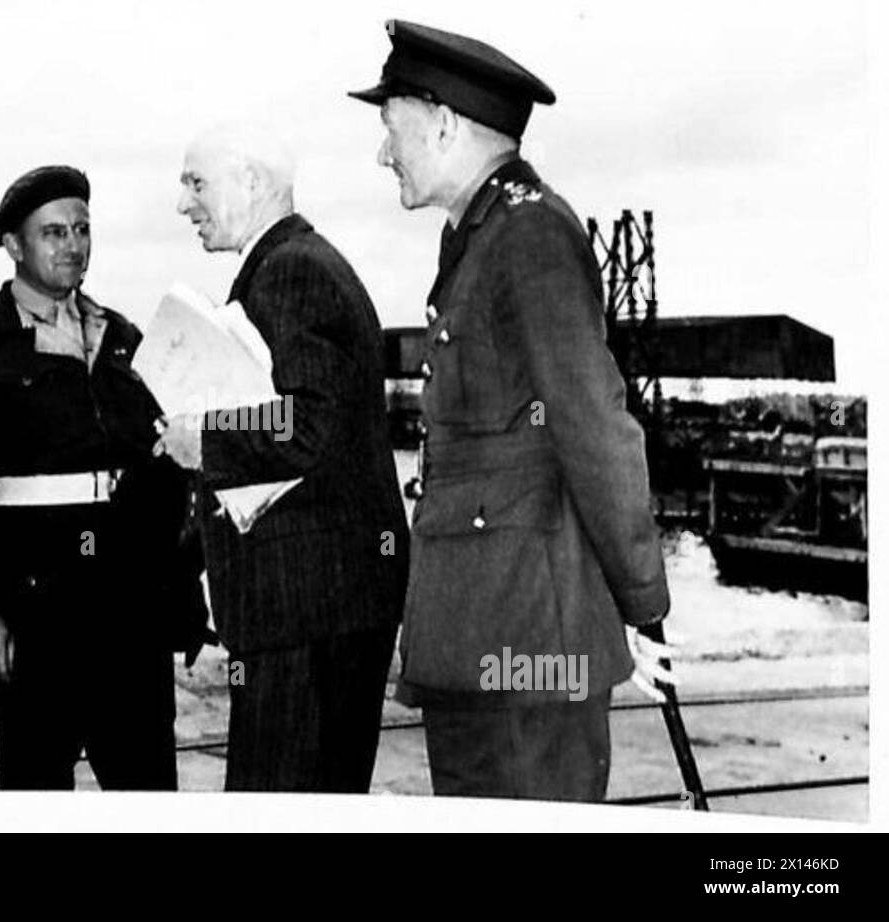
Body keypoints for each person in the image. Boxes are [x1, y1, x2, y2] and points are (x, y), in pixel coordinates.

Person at [349, 20, 676, 800]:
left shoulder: (530, 233)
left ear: (443, 121)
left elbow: (593, 425)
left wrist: (641, 608)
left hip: (532, 651)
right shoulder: (474, 238)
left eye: (390, 129)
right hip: (472, 638)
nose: (382, 153)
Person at [0, 165, 212, 790]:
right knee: (37, 802)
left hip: (130, 622)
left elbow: (166, 471)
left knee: (148, 797)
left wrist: (179, 583)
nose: (73, 246)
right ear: (14, 246)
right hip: (36, 624)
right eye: (54, 232)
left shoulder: (125, 339)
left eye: (82, 230)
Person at [158, 126, 409, 792]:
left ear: (253, 181)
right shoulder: (301, 262)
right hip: (326, 599)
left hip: (306, 606)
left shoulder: (291, 272)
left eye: (197, 183)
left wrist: (200, 439)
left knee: (276, 804)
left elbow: (310, 422)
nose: (184, 205)